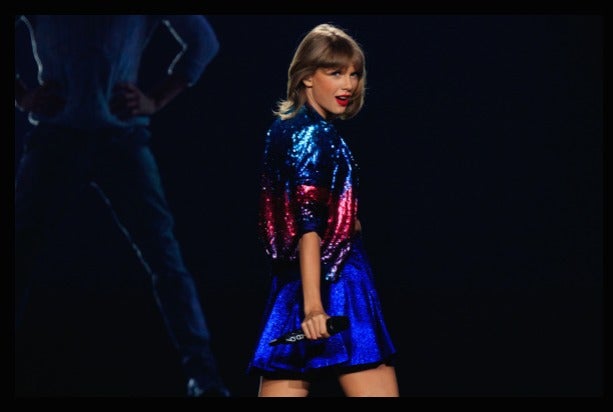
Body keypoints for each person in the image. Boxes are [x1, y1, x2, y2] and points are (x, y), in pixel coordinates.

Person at [14, 15, 229, 397]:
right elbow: (205, 42)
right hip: (58, 140)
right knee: (18, 256)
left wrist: (155, 100)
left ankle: (205, 377)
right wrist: (21, 95)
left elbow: (203, 42)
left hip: (119, 141)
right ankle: (205, 377)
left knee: (165, 259)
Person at [247, 23, 399, 397]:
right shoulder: (314, 134)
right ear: (306, 76)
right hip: (337, 280)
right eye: (335, 73)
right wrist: (315, 306)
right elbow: (308, 226)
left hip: (294, 283)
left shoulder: (285, 128)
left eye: (354, 74)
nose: (348, 85)